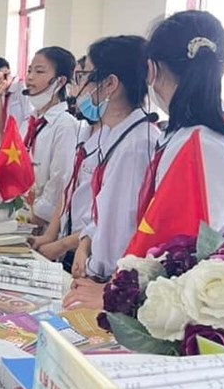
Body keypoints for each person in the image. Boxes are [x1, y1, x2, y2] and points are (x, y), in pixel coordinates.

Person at [66, 11, 224, 309]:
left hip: (182, 306)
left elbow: (181, 252)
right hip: (167, 299)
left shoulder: (200, 146)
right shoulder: (189, 136)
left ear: (152, 70)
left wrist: (114, 295)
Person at [69, 36, 161, 280]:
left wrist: (94, 272)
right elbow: (102, 210)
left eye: (84, 76)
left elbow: (122, 228)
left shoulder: (137, 144)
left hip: (109, 278)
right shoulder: (114, 134)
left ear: (110, 84)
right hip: (93, 267)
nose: (78, 87)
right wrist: (85, 243)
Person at [30, 63, 102, 269]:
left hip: (89, 253)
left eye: (80, 78)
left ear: (109, 84)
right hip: (67, 240)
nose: (74, 89)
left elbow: (109, 216)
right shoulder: (85, 132)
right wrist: (51, 236)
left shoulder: (68, 125)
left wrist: (60, 244)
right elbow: (68, 187)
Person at [22, 47, 79, 228]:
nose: (30, 78)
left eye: (39, 71)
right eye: (29, 70)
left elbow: (59, 181)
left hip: (43, 223)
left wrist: (37, 215)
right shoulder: (29, 121)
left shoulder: (65, 125)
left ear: (60, 81)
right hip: (21, 212)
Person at [0, 56, 32, 142]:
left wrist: (18, 141)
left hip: (20, 141)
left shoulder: (22, 87)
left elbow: (29, 118)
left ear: (7, 73)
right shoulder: (0, 94)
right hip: (6, 142)